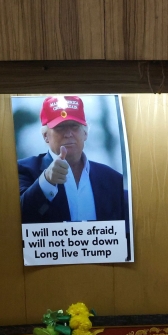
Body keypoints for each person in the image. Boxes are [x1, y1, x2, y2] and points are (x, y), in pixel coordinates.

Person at [18, 96, 131, 235]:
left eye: (74, 126)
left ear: (85, 133)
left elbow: (128, 234)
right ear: (45, 136)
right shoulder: (24, 170)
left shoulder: (113, 179)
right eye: (59, 127)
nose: (68, 133)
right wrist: (47, 181)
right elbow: (18, 216)